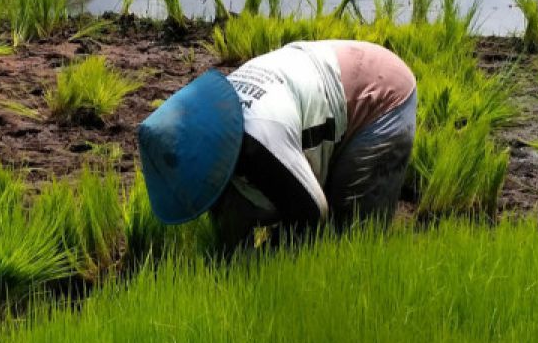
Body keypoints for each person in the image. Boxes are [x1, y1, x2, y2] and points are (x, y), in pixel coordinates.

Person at [137, 40, 417, 247]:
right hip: (321, 68)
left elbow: (312, 215)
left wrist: (268, 255)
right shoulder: (210, 116)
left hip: (379, 93)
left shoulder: (258, 141)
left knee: (350, 235)